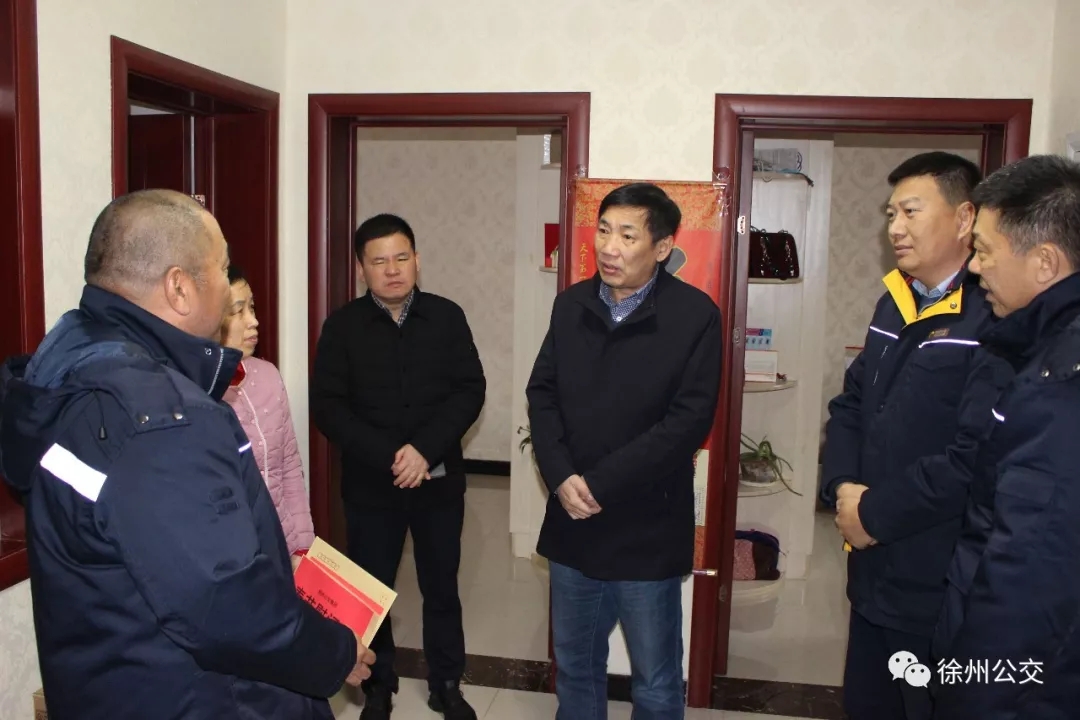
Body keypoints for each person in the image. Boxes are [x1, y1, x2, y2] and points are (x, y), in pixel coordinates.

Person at [0, 190, 373, 719]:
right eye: (221, 268)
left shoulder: (65, 360)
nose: (227, 286)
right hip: (196, 698)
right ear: (179, 287)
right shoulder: (162, 419)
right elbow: (225, 604)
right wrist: (332, 652)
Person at [821, 152, 1011, 720]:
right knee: (868, 704)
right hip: (872, 573)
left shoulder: (992, 316)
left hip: (936, 575)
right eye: (890, 214)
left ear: (964, 218)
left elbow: (974, 456)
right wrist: (843, 489)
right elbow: (851, 403)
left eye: (910, 211)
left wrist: (875, 514)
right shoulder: (894, 302)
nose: (895, 228)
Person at [526, 182, 722, 719]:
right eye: (604, 231)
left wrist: (599, 483)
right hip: (573, 522)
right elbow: (542, 393)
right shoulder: (571, 305)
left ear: (662, 247)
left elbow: (687, 423)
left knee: (655, 682)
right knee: (575, 668)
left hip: (646, 528)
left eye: (628, 236)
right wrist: (560, 474)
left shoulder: (695, 315)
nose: (610, 248)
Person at [310, 213, 486, 720]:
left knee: (442, 587)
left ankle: (446, 683)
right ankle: (377, 686)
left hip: (438, 480)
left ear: (417, 260)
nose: (392, 270)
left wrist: (424, 450)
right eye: (379, 261)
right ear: (360, 268)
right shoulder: (342, 327)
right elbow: (328, 406)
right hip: (371, 484)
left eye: (401, 258)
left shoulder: (446, 317)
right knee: (373, 591)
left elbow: (469, 390)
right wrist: (391, 456)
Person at [932, 155, 1080, 719]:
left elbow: (1029, 582)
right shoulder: (1038, 349)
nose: (974, 268)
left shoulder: (1059, 385)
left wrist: (972, 695)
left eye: (986, 251)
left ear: (1044, 262)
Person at [220, 265, 313, 566]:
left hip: (283, 544)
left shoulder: (268, 375)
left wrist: (303, 546)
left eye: (252, 307)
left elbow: (289, 467)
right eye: (238, 311)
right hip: (236, 557)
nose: (254, 321)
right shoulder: (194, 392)